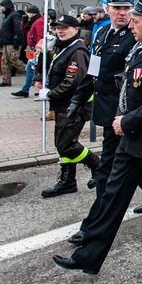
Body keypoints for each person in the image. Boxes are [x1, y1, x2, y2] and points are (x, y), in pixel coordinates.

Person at [53, 0, 142, 274]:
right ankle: (89, 255)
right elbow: (126, 89)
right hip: (129, 137)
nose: (132, 26)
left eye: (136, 21)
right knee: (113, 195)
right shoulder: (138, 49)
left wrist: (126, 122)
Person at [65, 0, 142, 247]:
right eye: (117, 8)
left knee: (108, 172)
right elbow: (94, 72)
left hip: (125, 115)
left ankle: (92, 227)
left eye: (127, 8)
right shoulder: (103, 33)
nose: (122, 13)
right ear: (107, 10)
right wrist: (78, 98)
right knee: (137, 162)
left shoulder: (136, 37)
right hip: (106, 111)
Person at [39, 15, 100, 198]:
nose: (60, 31)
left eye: (65, 28)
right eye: (58, 28)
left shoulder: (78, 51)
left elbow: (73, 82)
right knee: (62, 144)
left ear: (76, 29)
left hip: (74, 106)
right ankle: (67, 180)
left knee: (66, 145)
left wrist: (50, 94)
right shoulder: (63, 48)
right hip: (63, 105)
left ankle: (97, 164)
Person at [12, 6, 45, 98]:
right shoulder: (32, 22)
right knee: (30, 69)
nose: (26, 14)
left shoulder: (39, 21)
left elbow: (41, 35)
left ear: (32, 13)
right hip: (33, 49)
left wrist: (39, 48)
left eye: (28, 13)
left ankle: (29, 90)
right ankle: (26, 90)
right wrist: (24, 22)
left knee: (33, 69)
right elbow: (24, 31)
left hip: (37, 50)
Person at [0, 0, 26, 87]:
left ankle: (32, 76)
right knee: (5, 61)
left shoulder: (14, 15)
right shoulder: (8, 16)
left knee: (15, 60)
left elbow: (18, 30)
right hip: (7, 43)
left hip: (12, 43)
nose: (1, 8)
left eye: (2, 6)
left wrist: (16, 41)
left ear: (7, 6)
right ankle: (6, 80)